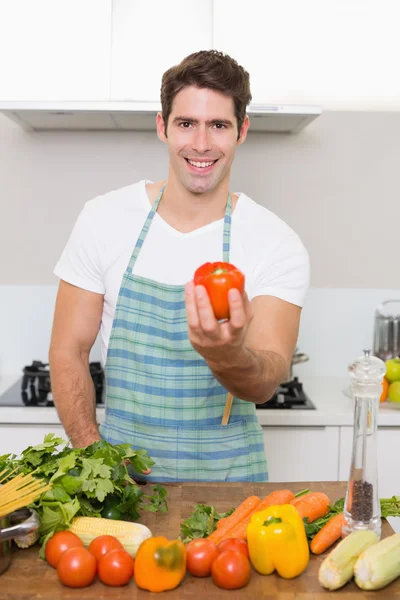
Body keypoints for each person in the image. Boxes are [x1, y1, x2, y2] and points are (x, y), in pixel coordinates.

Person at [49, 50, 310, 483]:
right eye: (186, 123)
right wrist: (96, 465)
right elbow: (67, 351)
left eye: (219, 125)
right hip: (120, 483)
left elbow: (266, 379)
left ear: (242, 131)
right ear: (162, 126)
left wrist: (227, 356)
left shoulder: (276, 242)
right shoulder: (103, 219)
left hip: (232, 490)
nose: (202, 144)